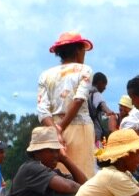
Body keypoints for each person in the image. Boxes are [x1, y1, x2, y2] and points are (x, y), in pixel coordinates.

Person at [36, 31, 95, 178]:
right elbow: (79, 99)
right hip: (79, 128)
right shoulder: (85, 70)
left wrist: (55, 130)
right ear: (77, 50)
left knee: (58, 174)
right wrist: (61, 127)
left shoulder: (45, 74)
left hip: (52, 130)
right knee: (82, 173)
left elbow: (42, 110)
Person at [88, 71, 118, 141]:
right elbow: (102, 104)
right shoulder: (96, 93)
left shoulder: (87, 93)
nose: (105, 88)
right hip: (94, 128)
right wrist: (110, 112)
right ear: (100, 83)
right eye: (105, 85)